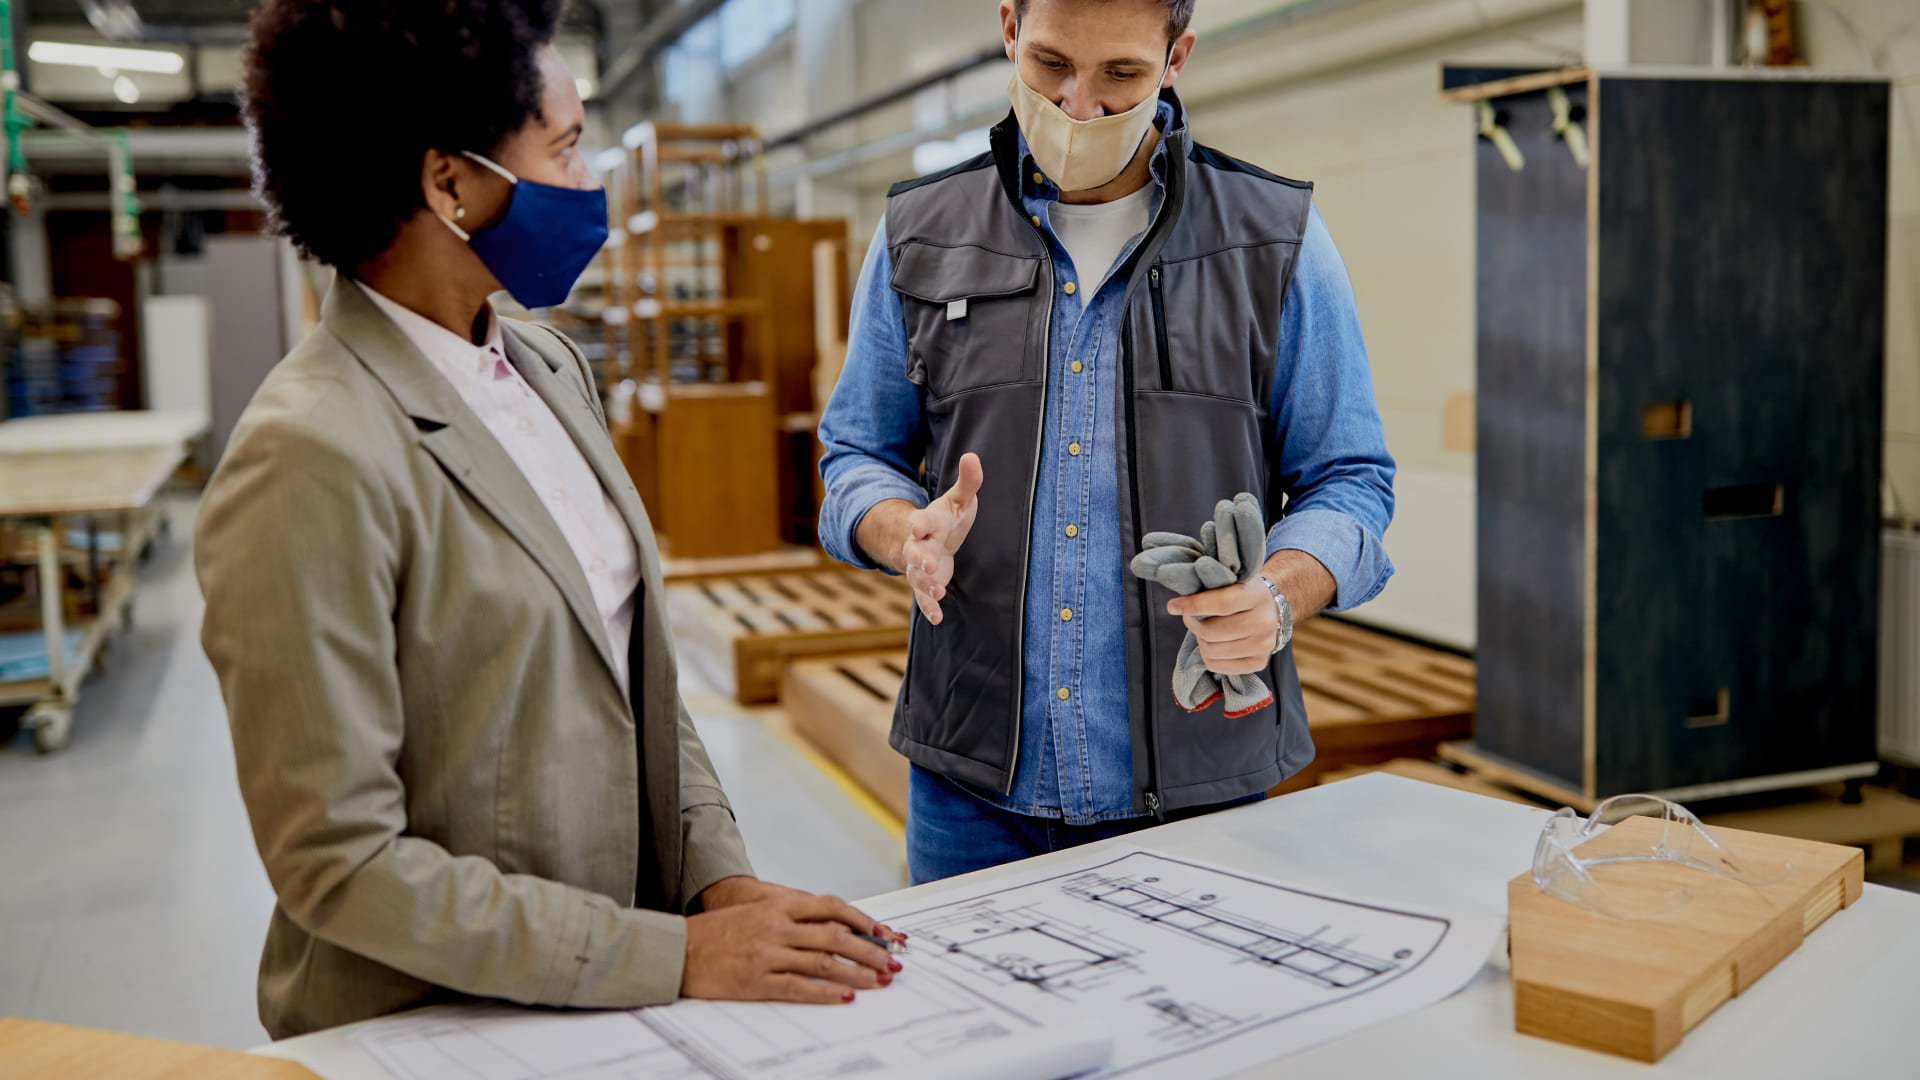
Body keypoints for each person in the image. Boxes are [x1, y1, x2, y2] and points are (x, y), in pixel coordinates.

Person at [198, 0, 899, 1039]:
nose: (590, 186)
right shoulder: (309, 455)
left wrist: (716, 882)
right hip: (438, 1028)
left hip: (604, 1003)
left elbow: (639, 681)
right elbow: (339, 865)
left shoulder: (545, 367)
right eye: (567, 149)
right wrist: (667, 955)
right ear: (450, 184)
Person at [817, 0, 1397, 885]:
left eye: (1120, 75)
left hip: (1201, 789)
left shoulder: (1274, 240)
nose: (1078, 108)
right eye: (1050, 64)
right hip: (970, 792)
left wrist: (1277, 597)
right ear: (1009, 27)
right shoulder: (917, 234)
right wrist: (902, 532)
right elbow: (854, 455)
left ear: (1176, 58)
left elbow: (1350, 480)